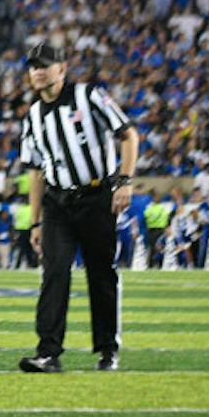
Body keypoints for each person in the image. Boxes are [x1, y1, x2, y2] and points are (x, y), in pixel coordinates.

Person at [16, 41, 137, 373]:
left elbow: (128, 135)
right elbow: (35, 171)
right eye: (33, 66)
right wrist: (35, 222)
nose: (38, 71)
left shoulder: (89, 96)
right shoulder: (33, 116)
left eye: (44, 65)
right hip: (57, 202)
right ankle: (48, 352)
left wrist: (124, 181)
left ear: (62, 68)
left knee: (101, 274)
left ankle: (108, 349)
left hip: (96, 196)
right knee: (54, 273)